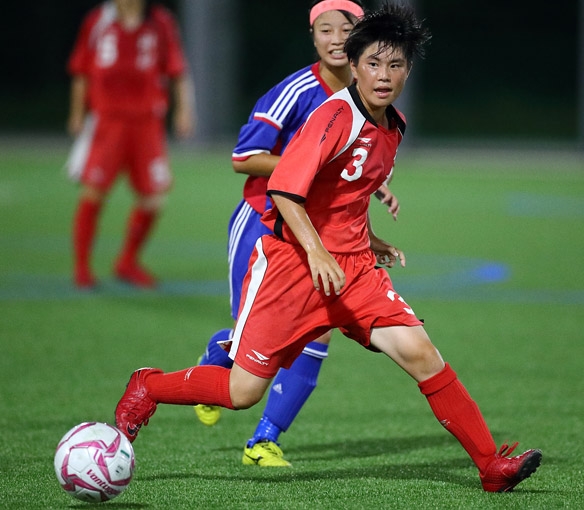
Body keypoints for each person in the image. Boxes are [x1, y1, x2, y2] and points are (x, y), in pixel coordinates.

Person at [115, 2, 542, 493]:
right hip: (292, 269)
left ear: (407, 69)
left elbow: (346, 194)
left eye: (395, 64)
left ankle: (491, 466)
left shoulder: (393, 125)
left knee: (421, 354)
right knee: (242, 391)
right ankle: (148, 386)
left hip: (355, 272)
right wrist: (318, 252)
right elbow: (284, 190)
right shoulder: (334, 114)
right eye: (373, 64)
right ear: (355, 65)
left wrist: (369, 239)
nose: (384, 75)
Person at [193, 0, 400, 467]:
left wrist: (374, 187)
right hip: (262, 223)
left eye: (344, 29)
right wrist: (308, 165)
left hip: (316, 235)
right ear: (312, 38)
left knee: (316, 332)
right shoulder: (297, 90)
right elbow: (243, 158)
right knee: (259, 341)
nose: (334, 38)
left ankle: (264, 439)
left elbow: (347, 174)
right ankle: (215, 359)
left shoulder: (366, 96)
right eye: (323, 30)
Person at [66, 0, 195, 289]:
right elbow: (81, 70)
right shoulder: (98, 20)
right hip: (108, 121)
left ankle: (126, 261)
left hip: (147, 122)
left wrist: (185, 110)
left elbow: (177, 69)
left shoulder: (161, 21)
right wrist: (77, 113)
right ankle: (82, 267)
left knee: (154, 198)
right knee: (94, 191)